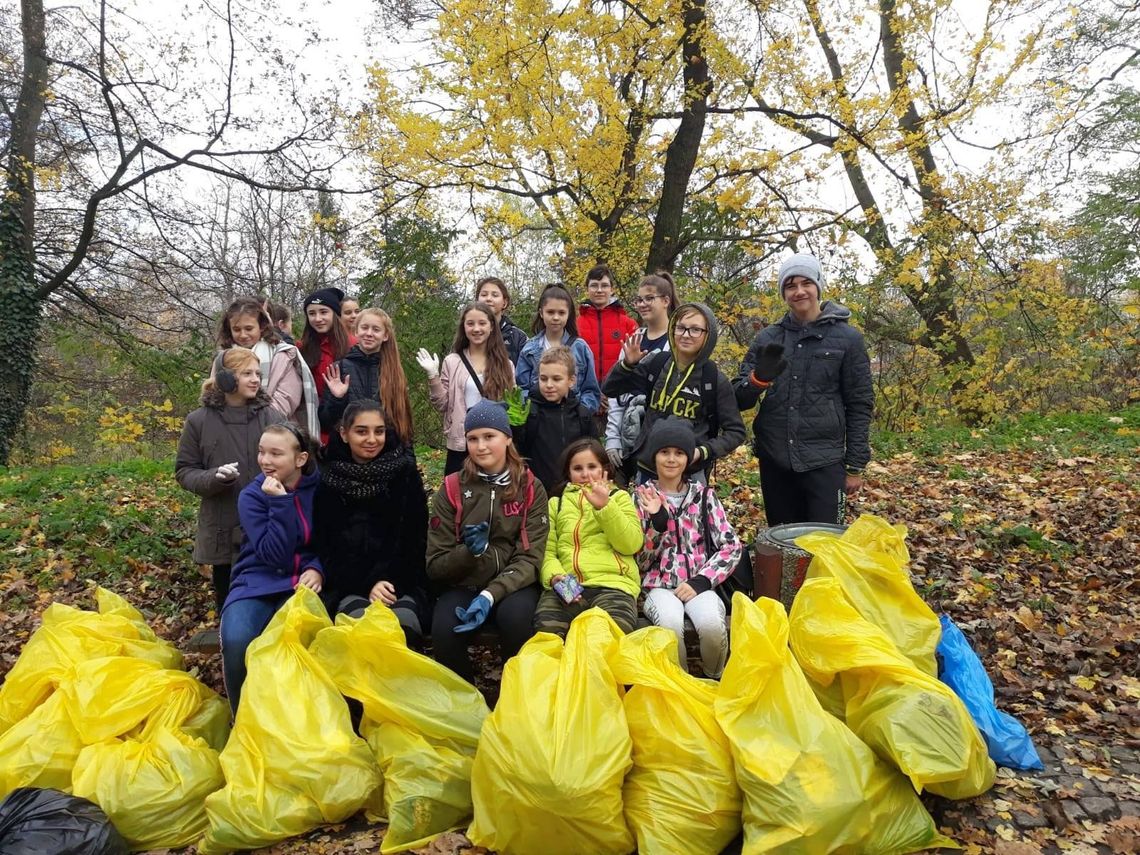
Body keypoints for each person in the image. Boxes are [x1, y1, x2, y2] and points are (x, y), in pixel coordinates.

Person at [733, 253, 873, 525]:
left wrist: (855, 465)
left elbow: (860, 403)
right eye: (790, 285)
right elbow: (738, 397)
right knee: (783, 542)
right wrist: (757, 380)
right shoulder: (768, 338)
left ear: (818, 285)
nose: (799, 291)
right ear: (783, 293)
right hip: (775, 460)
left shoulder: (848, 339)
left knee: (826, 544)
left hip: (826, 460)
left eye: (805, 283)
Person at [425, 400, 548, 684]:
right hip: (464, 582)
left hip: (514, 584)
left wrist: (491, 594)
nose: (481, 446)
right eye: (473, 439)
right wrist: (469, 552)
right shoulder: (452, 488)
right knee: (444, 629)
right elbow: (435, 565)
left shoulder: (529, 487)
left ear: (507, 438)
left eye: (489, 436)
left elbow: (531, 557)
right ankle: (465, 704)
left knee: (517, 620)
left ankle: (516, 699)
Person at [220, 422, 322, 712]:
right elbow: (273, 555)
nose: (265, 460)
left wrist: (318, 568)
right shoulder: (252, 495)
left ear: (300, 459)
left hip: (303, 581)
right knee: (237, 639)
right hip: (256, 580)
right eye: (262, 452)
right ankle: (242, 717)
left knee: (304, 639)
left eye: (276, 454)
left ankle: (300, 717)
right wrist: (280, 503)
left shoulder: (322, 491)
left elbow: (334, 542)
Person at [314, 400, 429, 648]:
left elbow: (415, 539)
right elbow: (327, 547)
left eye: (379, 431)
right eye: (361, 431)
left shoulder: (404, 473)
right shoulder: (329, 479)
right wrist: (367, 585)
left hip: (398, 583)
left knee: (404, 628)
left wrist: (388, 582)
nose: (372, 439)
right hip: (349, 586)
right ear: (344, 434)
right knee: (359, 632)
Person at [176, 347, 284, 611]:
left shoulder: (273, 417)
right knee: (228, 600)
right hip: (221, 522)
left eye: (258, 373)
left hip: (265, 521)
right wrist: (213, 477)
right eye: (246, 373)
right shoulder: (198, 421)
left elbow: (292, 462)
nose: (255, 379)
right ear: (225, 378)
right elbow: (185, 470)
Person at [634, 419, 742, 678]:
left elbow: (731, 546)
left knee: (712, 626)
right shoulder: (641, 497)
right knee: (670, 625)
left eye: (679, 453)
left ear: (688, 458)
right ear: (654, 456)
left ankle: (712, 677)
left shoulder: (704, 496)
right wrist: (657, 524)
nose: (671, 459)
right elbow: (638, 560)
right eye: (664, 452)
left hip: (698, 582)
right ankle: (681, 682)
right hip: (657, 585)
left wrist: (703, 580)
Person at [602, 301, 745, 484]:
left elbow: (736, 432)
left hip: (689, 474)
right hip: (648, 469)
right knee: (646, 513)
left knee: (688, 515)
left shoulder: (714, 380)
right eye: (681, 328)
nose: (686, 335)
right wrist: (627, 365)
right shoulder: (656, 363)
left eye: (695, 330)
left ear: (708, 336)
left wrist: (703, 451)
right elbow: (610, 389)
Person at [533, 438, 642, 638]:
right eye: (577, 468)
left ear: (604, 469)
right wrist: (554, 576)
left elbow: (631, 544)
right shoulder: (556, 504)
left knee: (605, 638)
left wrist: (605, 507)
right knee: (548, 635)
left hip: (612, 585)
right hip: (567, 587)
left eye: (592, 466)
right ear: (569, 473)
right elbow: (546, 551)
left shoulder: (619, 497)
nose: (585, 474)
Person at [416, 302, 516, 475]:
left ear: (491, 326)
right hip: (461, 442)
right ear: (464, 327)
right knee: (458, 496)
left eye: (482, 323)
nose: (476, 328)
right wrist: (433, 376)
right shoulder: (452, 362)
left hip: (493, 443)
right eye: (470, 323)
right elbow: (442, 404)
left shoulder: (506, 365)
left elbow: (511, 407)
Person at [604, 271, 677, 478]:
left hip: (662, 440)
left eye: (649, 298)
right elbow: (616, 397)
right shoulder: (633, 340)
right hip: (628, 438)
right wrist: (612, 438)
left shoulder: (677, 342)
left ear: (665, 300)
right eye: (639, 300)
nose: (643, 304)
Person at [215, 296, 319, 439]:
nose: (243, 335)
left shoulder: (283, 355)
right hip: (229, 433)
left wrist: (244, 418)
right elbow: (215, 394)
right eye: (237, 329)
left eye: (249, 328)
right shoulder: (223, 358)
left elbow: (285, 402)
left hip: (275, 435)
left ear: (262, 326)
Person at [319, 307, 415, 449]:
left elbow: (403, 425)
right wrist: (337, 399)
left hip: (386, 455)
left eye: (376, 329)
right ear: (356, 331)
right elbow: (325, 423)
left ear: (385, 336)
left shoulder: (394, 372)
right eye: (364, 328)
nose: (369, 333)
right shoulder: (339, 370)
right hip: (346, 456)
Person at [507, 345, 598, 492]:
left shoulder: (582, 415)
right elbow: (517, 452)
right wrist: (515, 428)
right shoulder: (530, 412)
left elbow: (595, 456)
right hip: (536, 493)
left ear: (571, 380)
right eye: (543, 379)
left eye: (556, 379)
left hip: (575, 493)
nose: (549, 385)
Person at [515, 284, 601, 413]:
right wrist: (531, 411)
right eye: (550, 312)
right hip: (540, 420)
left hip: (572, 421)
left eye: (561, 313)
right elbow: (522, 388)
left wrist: (581, 413)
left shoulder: (580, 348)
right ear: (541, 313)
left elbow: (591, 390)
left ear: (568, 314)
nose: (556, 317)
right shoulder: (529, 350)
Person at [577, 263, 638, 382]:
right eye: (594, 285)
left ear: (612, 289)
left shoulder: (628, 324)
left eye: (604, 285)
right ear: (587, 289)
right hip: (585, 394)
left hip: (617, 393)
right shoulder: (576, 324)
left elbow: (636, 364)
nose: (599, 290)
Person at [476, 276, 529, 365]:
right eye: (484, 295)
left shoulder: (518, 338)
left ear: (505, 302)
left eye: (495, 295)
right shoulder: (469, 333)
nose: (488, 299)